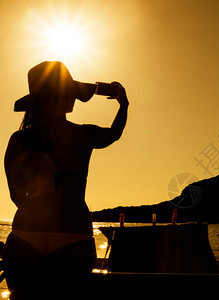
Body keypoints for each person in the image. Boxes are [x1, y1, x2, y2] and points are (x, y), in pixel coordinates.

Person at [3, 61, 129, 298]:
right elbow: (115, 133)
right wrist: (124, 105)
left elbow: (14, 193)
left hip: (25, 235)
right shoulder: (83, 134)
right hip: (74, 234)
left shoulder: (18, 139)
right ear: (64, 98)